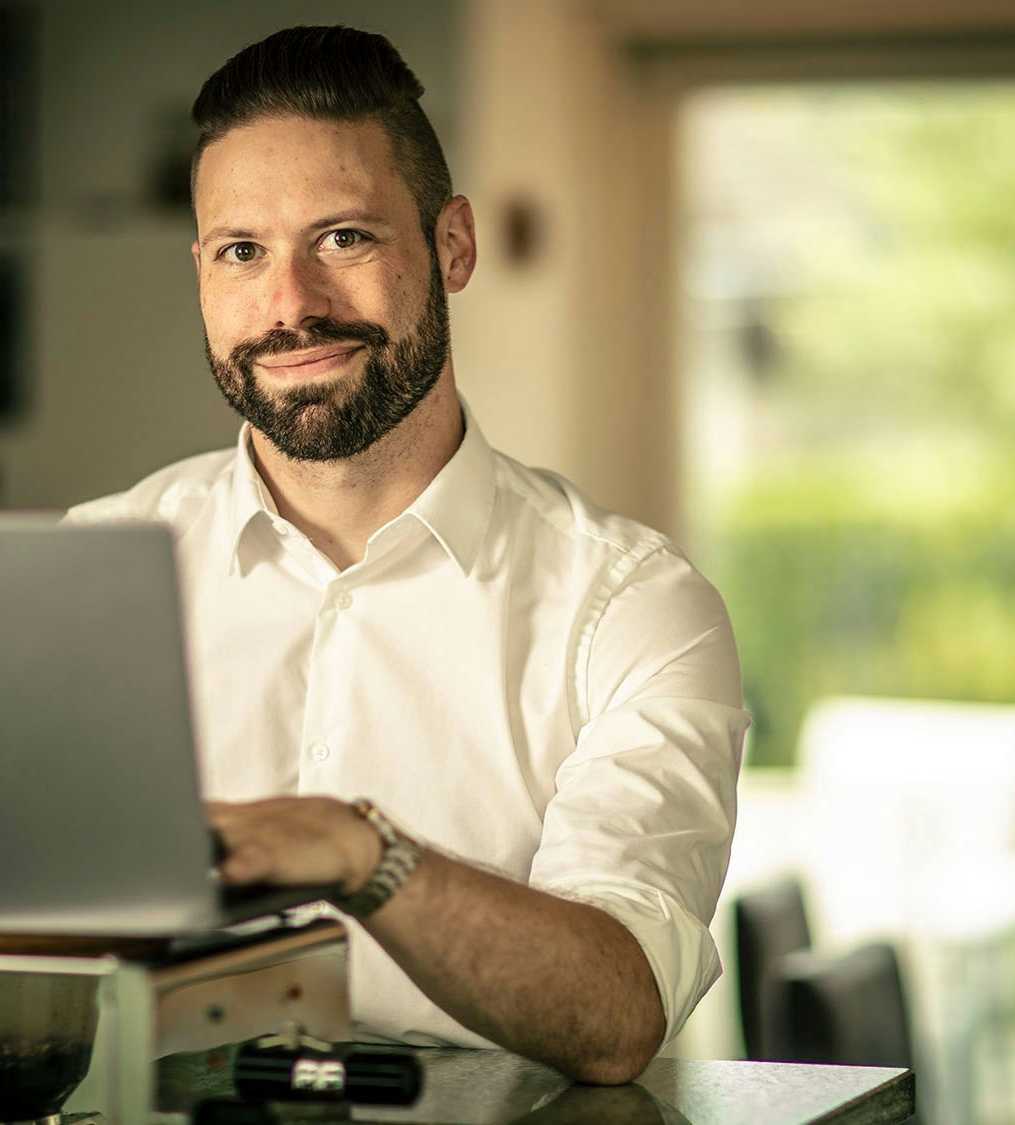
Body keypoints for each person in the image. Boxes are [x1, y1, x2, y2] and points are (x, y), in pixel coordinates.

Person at [66, 25, 747, 1085]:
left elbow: (618, 1014)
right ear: (200, 272)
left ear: (453, 246)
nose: (290, 304)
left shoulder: (631, 608)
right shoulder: (91, 571)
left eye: (341, 238)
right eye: (242, 251)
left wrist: (361, 855)